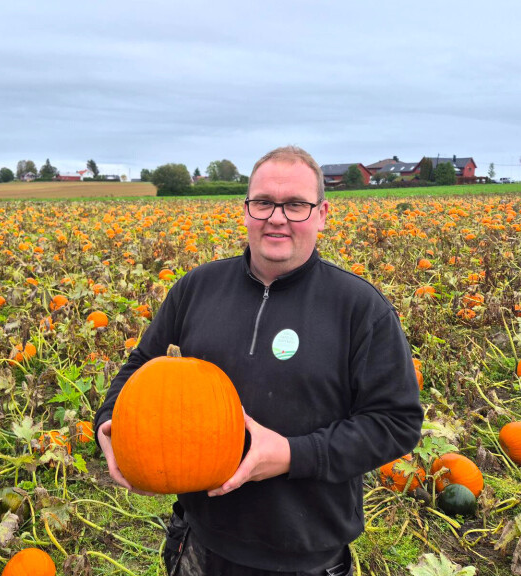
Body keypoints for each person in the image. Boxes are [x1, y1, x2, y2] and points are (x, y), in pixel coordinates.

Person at [93, 146, 424, 575]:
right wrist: (108, 421)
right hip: (199, 538)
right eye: (264, 202)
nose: (277, 217)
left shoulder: (360, 309)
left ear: (322, 213)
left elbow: (396, 423)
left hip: (305, 553)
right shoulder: (197, 289)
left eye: (296, 205)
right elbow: (141, 365)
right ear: (246, 210)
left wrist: (291, 454)